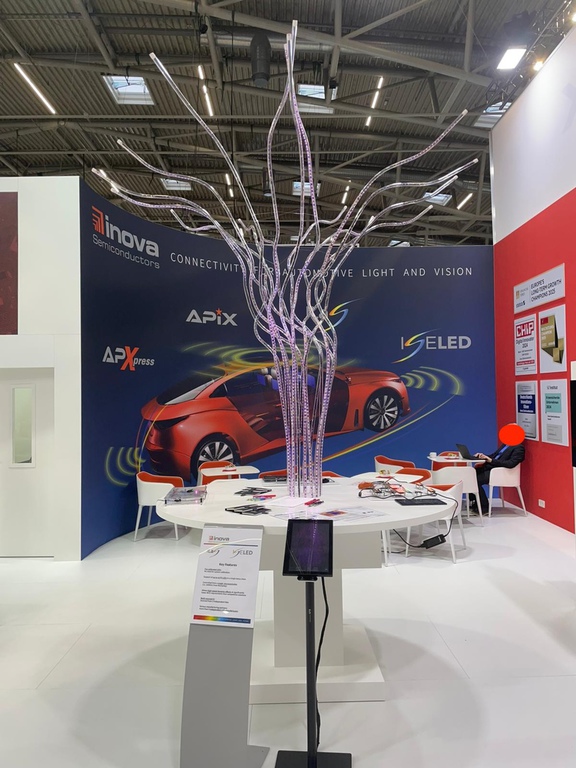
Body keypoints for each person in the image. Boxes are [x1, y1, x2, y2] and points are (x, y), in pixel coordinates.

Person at [471, 424, 525, 514]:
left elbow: (510, 464)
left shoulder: (519, 448)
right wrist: (483, 456)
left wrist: (491, 461)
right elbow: (494, 456)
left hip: (500, 473)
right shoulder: (506, 444)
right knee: (470, 476)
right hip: (491, 468)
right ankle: (475, 503)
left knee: (475, 480)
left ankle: (484, 508)